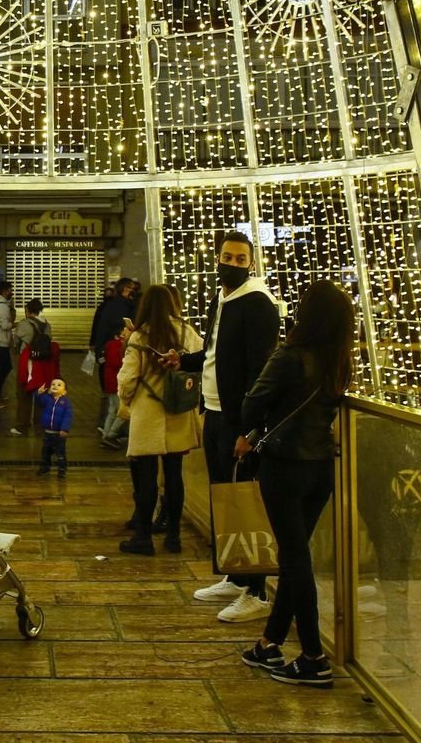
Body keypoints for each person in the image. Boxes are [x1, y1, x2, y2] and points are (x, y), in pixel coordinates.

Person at [237, 281, 355, 688]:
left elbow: (254, 401)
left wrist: (248, 430)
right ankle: (269, 642)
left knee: (293, 558)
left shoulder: (290, 356)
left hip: (284, 466)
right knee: (295, 555)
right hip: (321, 468)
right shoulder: (338, 360)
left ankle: (312, 656)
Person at [173, 230, 281, 622]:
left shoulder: (258, 303)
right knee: (225, 498)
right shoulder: (223, 297)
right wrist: (184, 361)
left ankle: (257, 591)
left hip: (238, 419)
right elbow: (216, 352)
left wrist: (248, 429)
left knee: (245, 502)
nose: (232, 264)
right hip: (215, 412)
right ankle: (236, 575)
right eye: (227, 257)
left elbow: (260, 370)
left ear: (251, 263)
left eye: (240, 259)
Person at [117, 285, 204, 556]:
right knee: (174, 475)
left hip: (148, 411)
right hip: (177, 411)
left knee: (146, 479)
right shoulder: (186, 332)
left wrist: (127, 399)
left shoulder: (140, 336)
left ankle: (143, 537)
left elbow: (127, 379)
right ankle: (174, 537)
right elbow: (201, 361)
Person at [90, 278, 139, 430]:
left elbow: (97, 326)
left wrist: (96, 347)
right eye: (132, 288)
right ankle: (114, 429)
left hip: (105, 353)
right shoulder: (127, 307)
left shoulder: (107, 306)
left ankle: (104, 424)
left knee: (108, 393)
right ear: (126, 289)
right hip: (118, 355)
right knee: (120, 393)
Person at [11, 299, 58, 436]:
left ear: (27, 310)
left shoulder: (24, 324)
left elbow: (16, 341)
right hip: (43, 363)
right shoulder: (47, 325)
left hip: (28, 363)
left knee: (24, 394)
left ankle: (22, 426)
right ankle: (40, 427)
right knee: (41, 393)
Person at [35, 378, 73, 477]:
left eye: (59, 385)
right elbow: (39, 401)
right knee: (45, 453)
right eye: (53, 384)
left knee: (60, 453)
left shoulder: (65, 403)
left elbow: (67, 416)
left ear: (64, 392)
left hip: (58, 435)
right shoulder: (47, 399)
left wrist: (64, 429)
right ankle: (45, 468)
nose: (55, 386)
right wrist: (39, 393)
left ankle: (62, 469)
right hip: (48, 433)